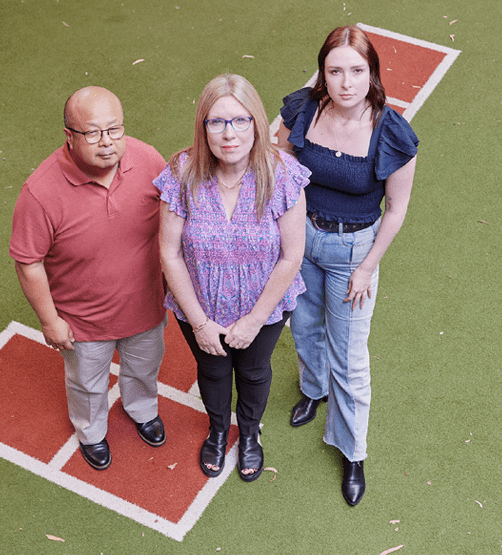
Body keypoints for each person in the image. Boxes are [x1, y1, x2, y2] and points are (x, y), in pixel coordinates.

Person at [277, 26, 419, 505]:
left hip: (353, 251)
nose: (346, 82)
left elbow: (396, 210)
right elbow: (280, 159)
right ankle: (313, 391)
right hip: (303, 239)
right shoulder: (303, 108)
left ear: (373, 74)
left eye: (357, 71)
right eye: (335, 71)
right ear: (323, 72)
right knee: (305, 325)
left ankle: (352, 449)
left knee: (351, 356)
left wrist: (366, 269)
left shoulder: (391, 131)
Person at [157, 74, 310, 482]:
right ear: (202, 126)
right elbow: (169, 254)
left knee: (255, 372)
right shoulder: (180, 173)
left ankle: (250, 435)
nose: (229, 134)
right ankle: (219, 429)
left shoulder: (282, 173)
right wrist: (201, 323)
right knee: (212, 371)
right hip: (199, 307)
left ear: (257, 123)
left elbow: (292, 255)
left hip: (264, 306)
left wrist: (255, 321)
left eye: (240, 121)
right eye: (216, 122)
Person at [10, 86, 168, 471]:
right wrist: (50, 321)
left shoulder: (148, 161)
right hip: (82, 322)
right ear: (69, 136)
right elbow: (28, 262)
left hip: (146, 306)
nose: (107, 143)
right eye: (93, 133)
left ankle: (142, 408)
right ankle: (91, 432)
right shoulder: (40, 193)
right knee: (87, 384)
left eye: (115, 130)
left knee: (144, 367)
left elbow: (173, 223)